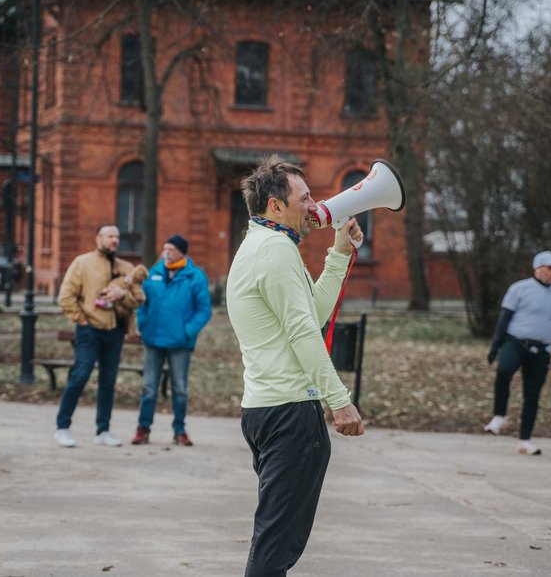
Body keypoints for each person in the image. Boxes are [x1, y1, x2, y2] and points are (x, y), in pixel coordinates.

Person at [226, 155, 365, 577]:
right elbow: (305, 333)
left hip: (268, 410)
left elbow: (312, 314)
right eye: (304, 198)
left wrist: (338, 254)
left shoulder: (264, 245)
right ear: (276, 206)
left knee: (275, 538)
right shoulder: (275, 251)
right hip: (290, 415)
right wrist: (339, 401)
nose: (314, 206)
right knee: (274, 546)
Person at [54, 225, 143, 448]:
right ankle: (62, 427)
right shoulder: (82, 263)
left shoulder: (126, 267)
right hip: (89, 329)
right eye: (110, 236)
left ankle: (103, 430)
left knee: (108, 381)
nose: (114, 240)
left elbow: (139, 300)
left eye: (117, 236)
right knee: (80, 374)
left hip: (115, 331)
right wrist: (82, 320)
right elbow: (66, 297)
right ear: (98, 239)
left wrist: (122, 295)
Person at [484, 250, 551, 455]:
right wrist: (495, 346)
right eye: (550, 268)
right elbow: (504, 319)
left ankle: (524, 440)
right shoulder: (519, 289)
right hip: (515, 342)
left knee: (532, 395)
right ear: (538, 269)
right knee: (504, 371)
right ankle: (500, 416)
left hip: (541, 350)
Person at [131, 235, 212, 446]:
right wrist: (143, 324)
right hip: (153, 340)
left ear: (182, 252)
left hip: (180, 343)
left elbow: (203, 311)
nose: (166, 252)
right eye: (165, 248)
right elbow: (142, 302)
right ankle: (143, 429)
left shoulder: (195, 276)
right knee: (149, 388)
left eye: (172, 249)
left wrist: (187, 331)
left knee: (180, 389)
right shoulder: (154, 273)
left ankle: (179, 430)